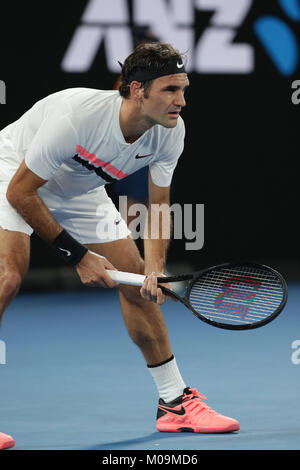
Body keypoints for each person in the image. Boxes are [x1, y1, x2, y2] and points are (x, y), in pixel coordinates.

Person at [0, 42, 239, 449]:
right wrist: (77, 255)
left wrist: (154, 268)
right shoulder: (77, 119)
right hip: (15, 172)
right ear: (136, 90)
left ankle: (175, 403)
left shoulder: (170, 132)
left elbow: (159, 206)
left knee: (136, 286)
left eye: (183, 90)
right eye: (169, 90)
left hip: (80, 189)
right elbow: (21, 194)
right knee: (7, 277)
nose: (180, 101)